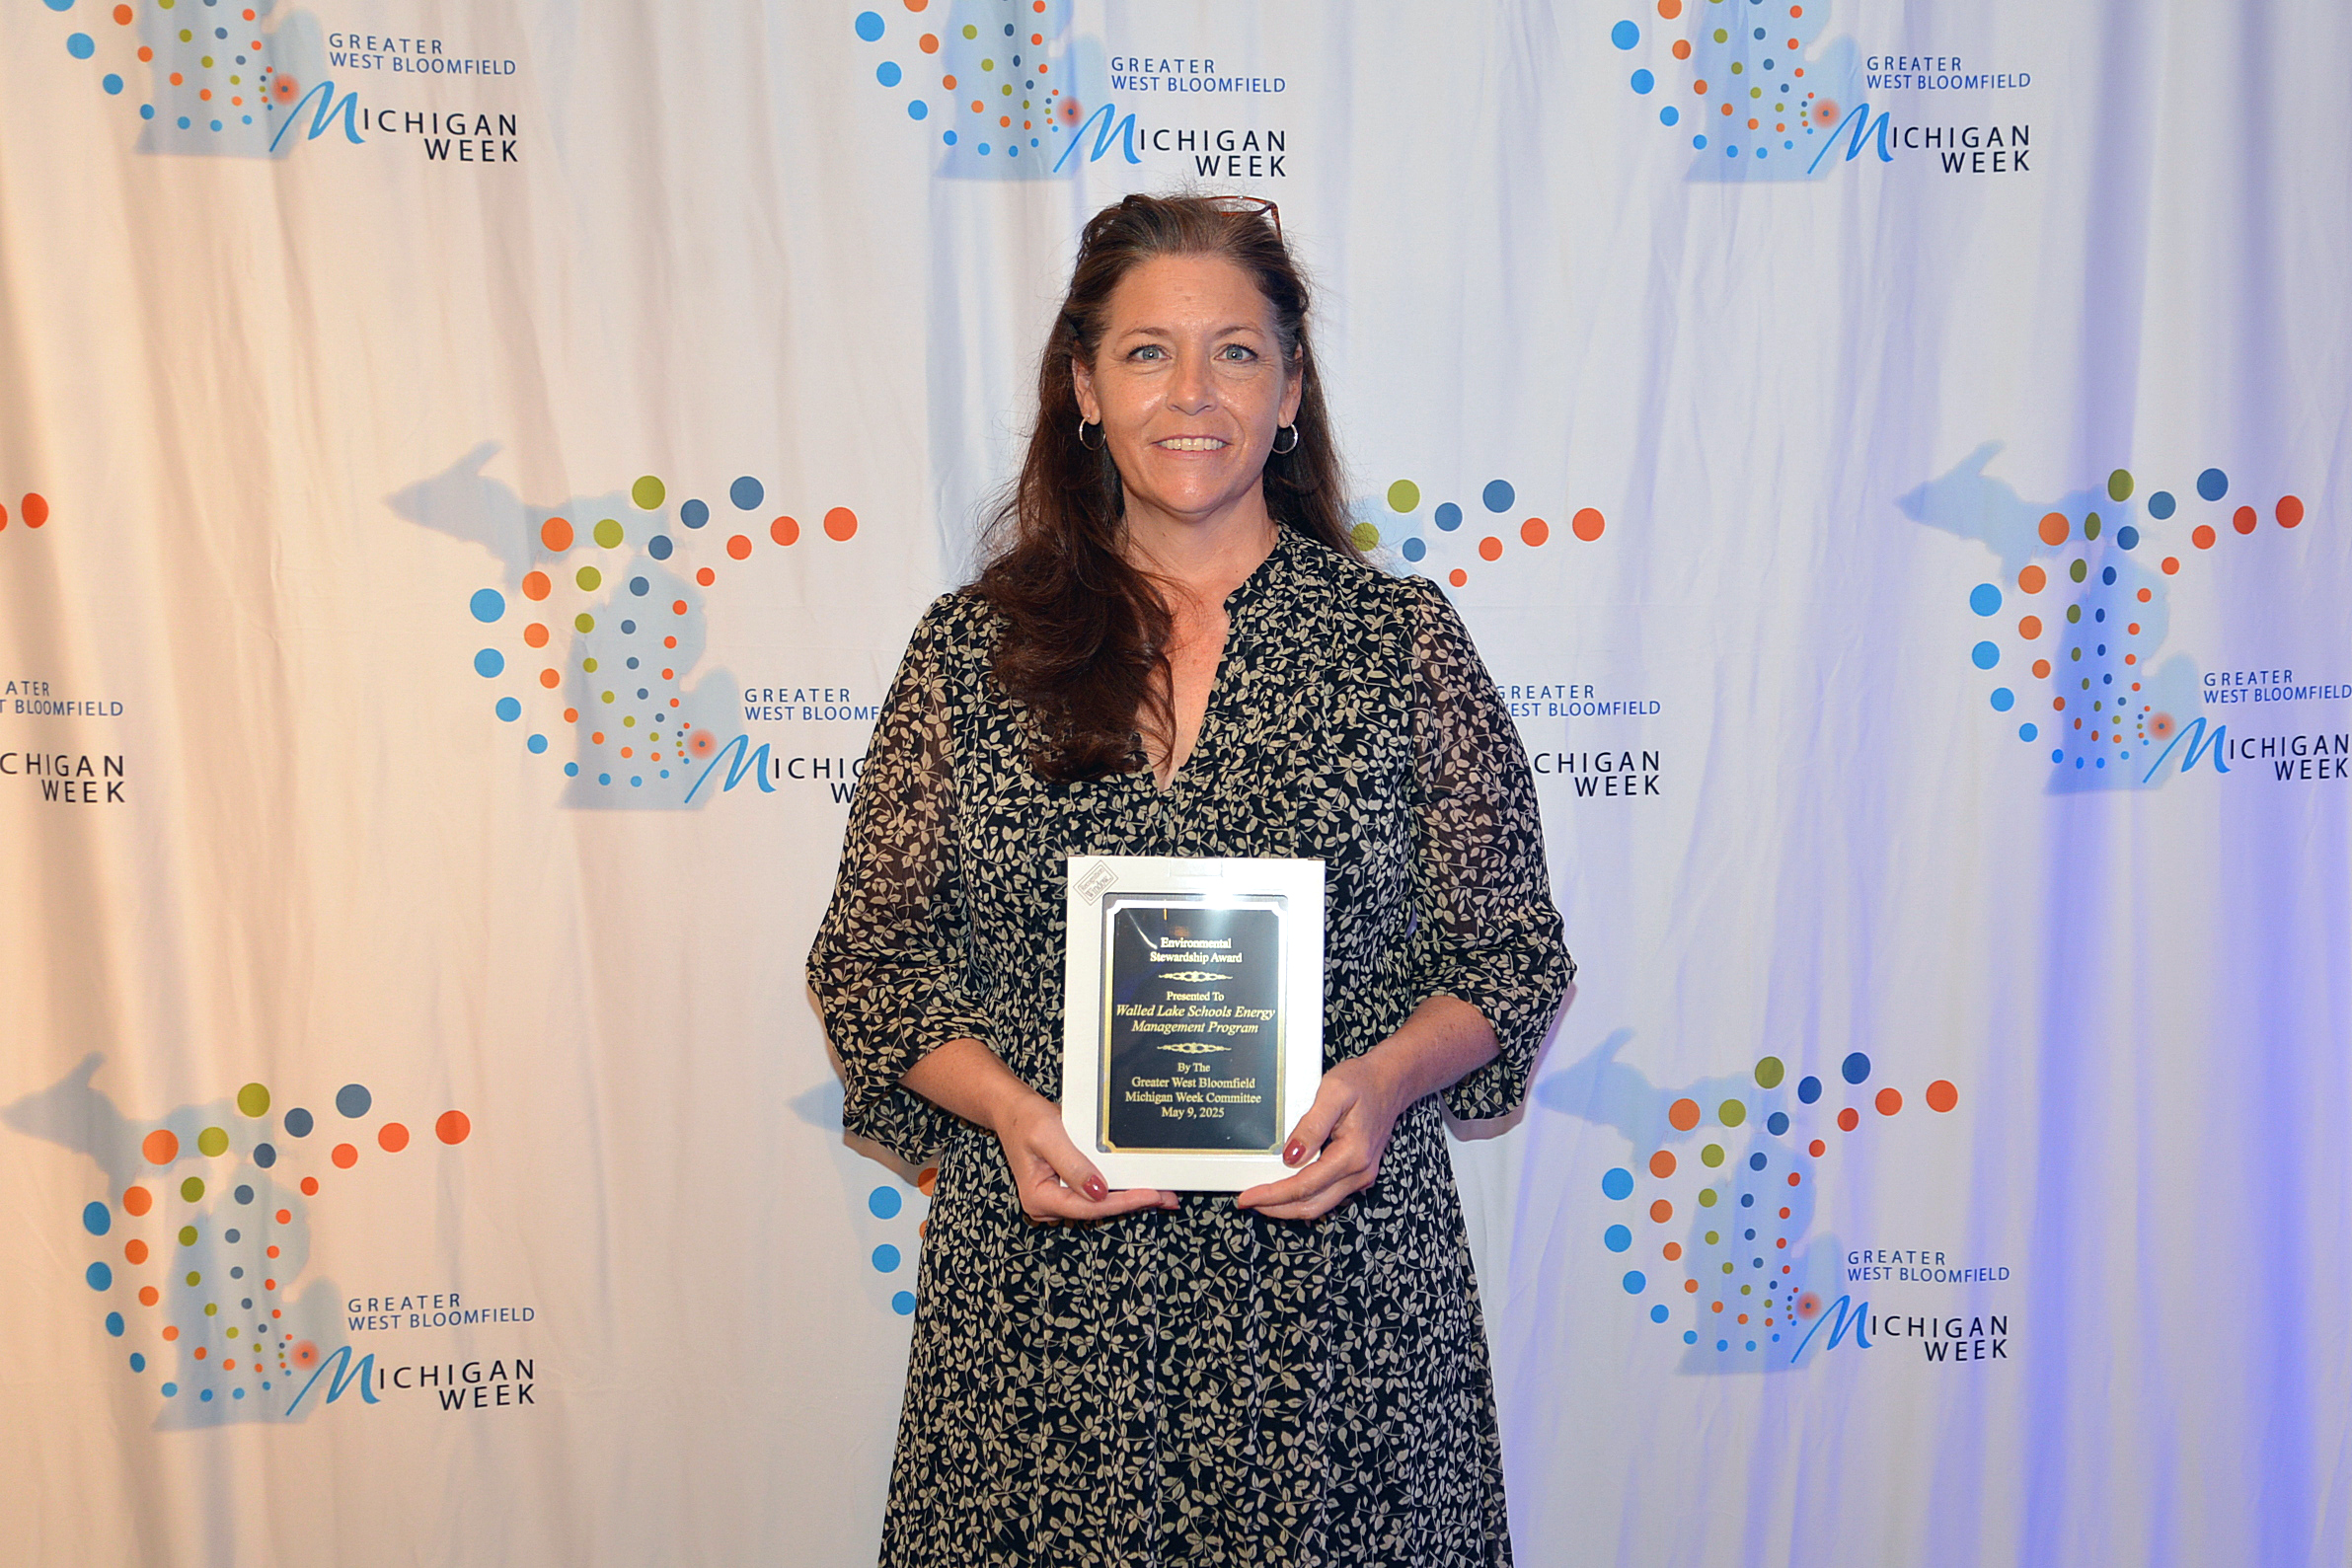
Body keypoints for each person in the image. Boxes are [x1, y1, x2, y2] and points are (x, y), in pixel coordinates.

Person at [807, 192, 1572, 1567]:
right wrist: (1010, 1113)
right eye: (1148, 352)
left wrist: (1383, 1082)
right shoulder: (973, 651)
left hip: (1338, 1313)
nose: (1193, 394)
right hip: (1044, 1313)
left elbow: (1511, 955)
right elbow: (870, 962)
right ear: (1084, 388)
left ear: (1291, 392)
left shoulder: (1396, 639)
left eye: (1236, 352)